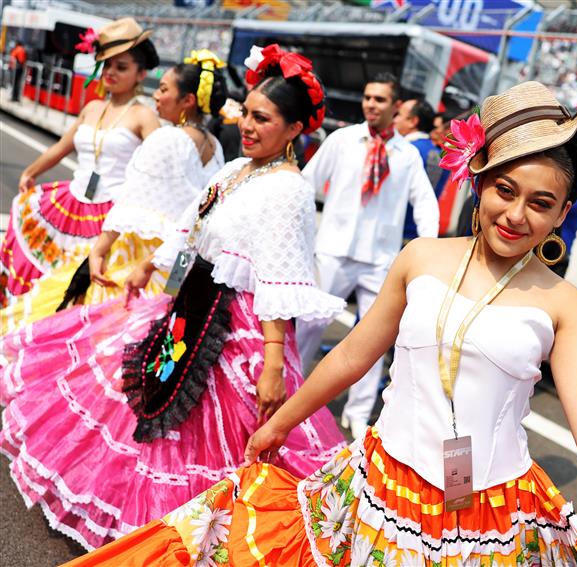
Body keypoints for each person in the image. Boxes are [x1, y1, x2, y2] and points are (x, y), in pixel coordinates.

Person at [67, 80, 577, 567]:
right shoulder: (420, 259)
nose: (515, 215)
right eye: (505, 190)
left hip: (493, 516)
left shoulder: (563, 304)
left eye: (540, 204)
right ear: (479, 180)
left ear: (563, 214)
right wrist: (279, 423)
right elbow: (354, 355)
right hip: (378, 486)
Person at [0, 45, 346, 551]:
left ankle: (200, 538)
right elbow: (193, 221)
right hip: (192, 305)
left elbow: (277, 276)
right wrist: (149, 264)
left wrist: (273, 360)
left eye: (262, 119)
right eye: (246, 114)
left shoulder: (288, 189)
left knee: (219, 438)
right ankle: (155, 528)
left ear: (295, 130)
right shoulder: (239, 170)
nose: (247, 126)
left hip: (240, 327)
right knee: (158, 415)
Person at [0, 50, 226, 334]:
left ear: (188, 101)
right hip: (175, 256)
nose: (156, 95)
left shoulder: (167, 137)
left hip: (140, 248)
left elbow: (134, 198)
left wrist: (100, 250)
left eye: (164, 89)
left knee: (96, 324)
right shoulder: (215, 146)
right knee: (146, 328)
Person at [296, 72, 440, 439]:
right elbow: (306, 183)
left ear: (395, 106)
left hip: (380, 261)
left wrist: (428, 251)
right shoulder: (342, 140)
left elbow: (424, 203)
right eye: (367, 97)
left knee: (373, 340)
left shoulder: (407, 155)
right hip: (333, 251)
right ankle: (291, 393)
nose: (371, 104)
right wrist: (299, 235)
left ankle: (358, 412)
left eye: (379, 99)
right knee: (309, 326)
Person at [0, 18, 161, 307]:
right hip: (71, 202)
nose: (111, 72)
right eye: (107, 65)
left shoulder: (144, 116)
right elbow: (63, 147)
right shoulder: (92, 107)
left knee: (84, 287)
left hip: (111, 214)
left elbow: (161, 166)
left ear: (141, 74)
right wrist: (30, 171)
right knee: (50, 277)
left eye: (121, 67)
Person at [394, 97, 449, 240]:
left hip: (395, 233)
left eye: (399, 115)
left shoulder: (405, 151)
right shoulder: (442, 156)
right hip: (420, 234)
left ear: (413, 121)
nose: (395, 120)